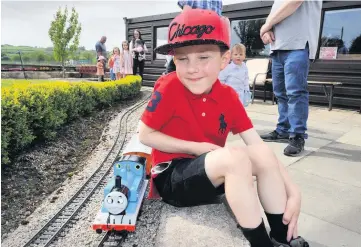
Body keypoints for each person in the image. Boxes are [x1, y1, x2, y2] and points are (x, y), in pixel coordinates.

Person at [139, 9, 308, 247]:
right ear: (174, 60)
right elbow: (144, 134)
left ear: (224, 59)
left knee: (258, 153)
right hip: (172, 178)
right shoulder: (169, 86)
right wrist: (198, 148)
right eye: (182, 58)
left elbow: (258, 147)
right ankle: (261, 243)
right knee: (235, 157)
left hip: (211, 173)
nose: (192, 68)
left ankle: (281, 234)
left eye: (203, 57)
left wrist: (293, 190)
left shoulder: (228, 95)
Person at [259, 0, 322, 157]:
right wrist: (267, 30)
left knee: (296, 92)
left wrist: (265, 25)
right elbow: (276, 15)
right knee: (280, 93)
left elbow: (294, 2)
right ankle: (283, 130)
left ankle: (297, 135)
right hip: (277, 47)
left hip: (298, 45)